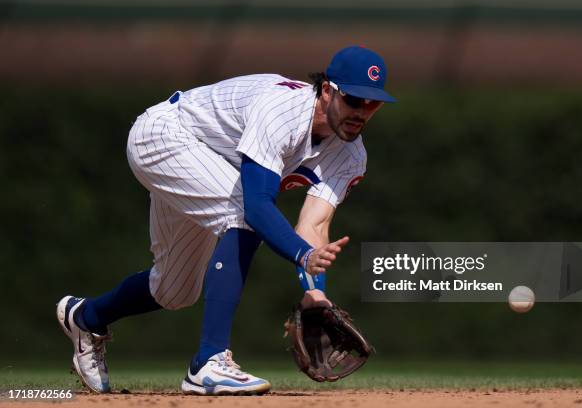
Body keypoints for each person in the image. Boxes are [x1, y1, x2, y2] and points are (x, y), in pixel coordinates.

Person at [56, 45, 395, 396]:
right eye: (355, 99)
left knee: (174, 291)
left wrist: (315, 292)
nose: (363, 111)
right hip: (164, 136)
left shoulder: (351, 155)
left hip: (209, 164)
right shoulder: (283, 112)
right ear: (327, 90)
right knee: (242, 216)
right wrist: (302, 255)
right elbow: (257, 207)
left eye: (374, 103)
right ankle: (208, 363)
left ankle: (86, 318)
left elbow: (314, 227)